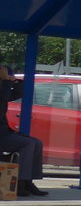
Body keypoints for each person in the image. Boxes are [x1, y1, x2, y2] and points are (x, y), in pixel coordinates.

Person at [0, 63, 48, 197]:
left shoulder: (4, 88)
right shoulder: (2, 90)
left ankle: (28, 182)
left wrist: (13, 81)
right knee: (28, 144)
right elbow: (3, 98)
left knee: (37, 143)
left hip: (4, 133)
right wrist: (5, 81)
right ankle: (19, 183)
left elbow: (20, 92)